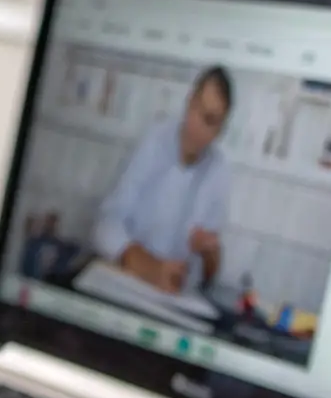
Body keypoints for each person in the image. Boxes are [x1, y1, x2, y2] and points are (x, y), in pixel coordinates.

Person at [91, 66, 234, 293]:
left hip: (173, 301)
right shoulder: (152, 141)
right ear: (189, 103)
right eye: (197, 110)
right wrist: (151, 268)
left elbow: (207, 274)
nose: (198, 126)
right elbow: (106, 225)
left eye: (211, 120)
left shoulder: (219, 170)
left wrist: (210, 255)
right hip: (125, 284)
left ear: (220, 130)